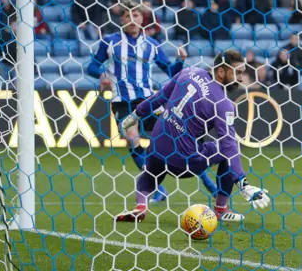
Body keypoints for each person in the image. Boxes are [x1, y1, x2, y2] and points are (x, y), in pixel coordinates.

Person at [114, 50, 271, 223]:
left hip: (156, 151)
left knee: (150, 171)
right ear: (221, 72)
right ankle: (220, 210)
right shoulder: (224, 104)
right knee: (227, 149)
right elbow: (229, 145)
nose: (240, 79)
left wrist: (134, 116)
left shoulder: (189, 72)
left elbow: (159, 97)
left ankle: (141, 206)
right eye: (237, 72)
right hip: (184, 163)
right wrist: (243, 183)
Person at [87, 0, 216, 203]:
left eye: (136, 15)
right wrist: (102, 74)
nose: (132, 19)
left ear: (142, 19)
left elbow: (171, 72)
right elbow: (91, 67)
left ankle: (210, 185)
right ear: (121, 19)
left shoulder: (152, 45)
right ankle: (157, 189)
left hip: (148, 100)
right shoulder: (109, 42)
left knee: (178, 137)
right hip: (122, 100)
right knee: (132, 137)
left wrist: (180, 60)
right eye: (128, 16)